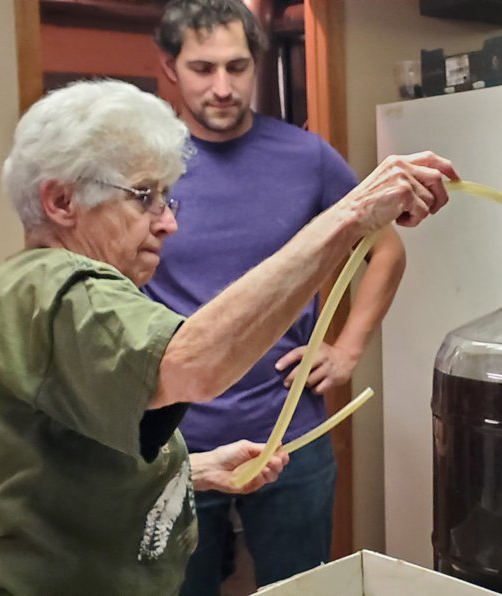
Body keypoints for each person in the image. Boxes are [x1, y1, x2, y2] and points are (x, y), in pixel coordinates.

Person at [0, 80, 455, 595]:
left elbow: (47, 472)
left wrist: (190, 470)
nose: (167, 223)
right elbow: (194, 364)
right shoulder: (66, 287)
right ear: (61, 202)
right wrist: (351, 216)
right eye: (144, 197)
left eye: (166, 198)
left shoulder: (17, 290)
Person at [147, 1, 409, 591]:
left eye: (237, 67)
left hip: (289, 432)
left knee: (304, 588)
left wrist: (347, 349)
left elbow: (386, 251)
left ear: (256, 64)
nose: (222, 87)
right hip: (172, 441)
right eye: (202, 68)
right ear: (169, 68)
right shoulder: (145, 164)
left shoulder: (306, 157)